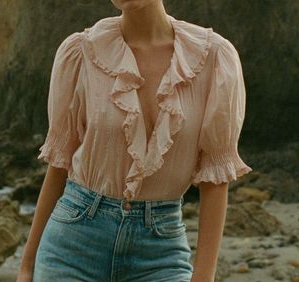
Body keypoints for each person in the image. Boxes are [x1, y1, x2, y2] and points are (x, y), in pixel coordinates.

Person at [17, 0, 253, 281]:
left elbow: (215, 179)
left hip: (160, 252)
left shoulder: (213, 58)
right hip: (72, 243)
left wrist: (204, 276)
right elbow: (60, 163)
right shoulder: (81, 52)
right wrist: (26, 265)